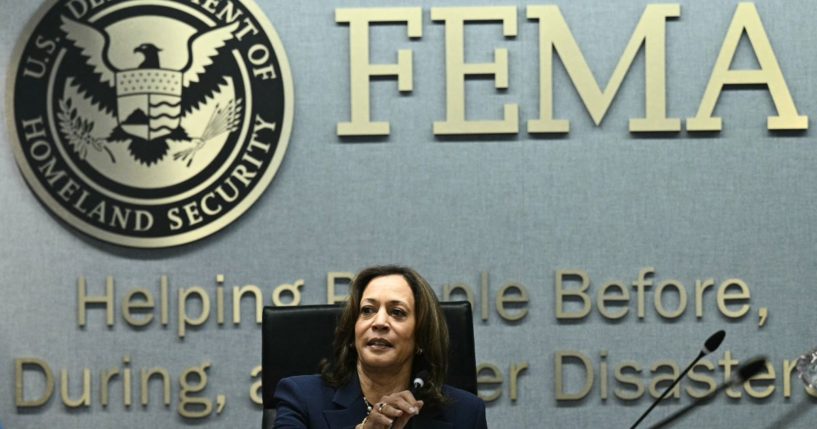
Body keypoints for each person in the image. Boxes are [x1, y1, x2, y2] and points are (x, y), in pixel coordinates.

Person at [273, 265, 487, 429]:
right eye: (367, 310)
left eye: (397, 312)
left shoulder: (465, 413)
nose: (379, 322)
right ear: (353, 331)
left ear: (421, 337)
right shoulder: (301, 398)